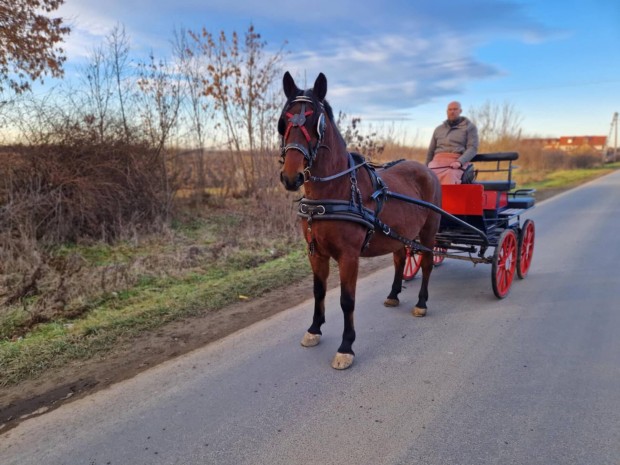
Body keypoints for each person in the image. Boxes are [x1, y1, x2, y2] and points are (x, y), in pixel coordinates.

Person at [426, 101, 479, 184]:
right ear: (447, 111)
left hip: (456, 161)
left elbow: (472, 148)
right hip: (436, 162)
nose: (452, 112)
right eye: (450, 109)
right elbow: (431, 150)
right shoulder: (438, 129)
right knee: (426, 176)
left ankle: (448, 197)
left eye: (455, 109)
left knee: (450, 175)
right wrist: (426, 166)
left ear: (460, 111)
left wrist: (459, 162)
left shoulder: (469, 127)